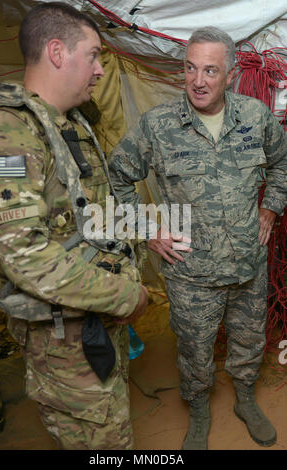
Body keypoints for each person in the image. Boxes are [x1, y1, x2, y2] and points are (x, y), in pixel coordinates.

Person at [108, 26, 287, 450]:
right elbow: (117, 176)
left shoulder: (256, 117)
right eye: (190, 68)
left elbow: (282, 164)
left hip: (248, 263)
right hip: (190, 273)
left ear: (230, 77)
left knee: (249, 340)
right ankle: (200, 408)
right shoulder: (158, 126)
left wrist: (270, 206)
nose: (198, 80)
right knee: (194, 350)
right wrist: (150, 230)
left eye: (210, 70)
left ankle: (245, 397)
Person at [0, 2, 148, 450]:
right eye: (94, 55)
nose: (99, 70)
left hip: (91, 323)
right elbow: (27, 257)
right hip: (65, 341)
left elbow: (89, 215)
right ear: (57, 53)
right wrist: (126, 295)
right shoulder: (6, 134)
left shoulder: (68, 124)